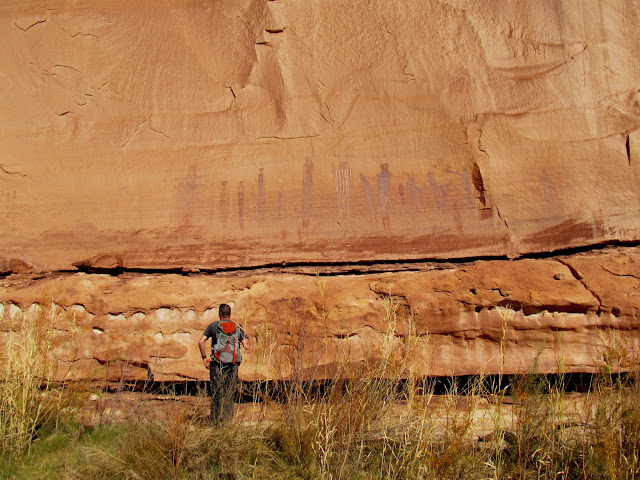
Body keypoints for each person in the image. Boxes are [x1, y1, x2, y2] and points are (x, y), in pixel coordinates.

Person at [198, 303, 249, 423]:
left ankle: (215, 422)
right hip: (232, 365)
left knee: (216, 392)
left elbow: (201, 342)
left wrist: (204, 357)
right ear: (229, 314)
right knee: (229, 393)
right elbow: (246, 345)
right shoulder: (237, 326)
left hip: (216, 364)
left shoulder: (214, 325)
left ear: (220, 314)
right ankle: (227, 422)